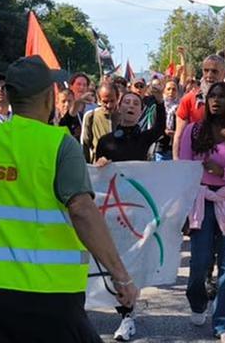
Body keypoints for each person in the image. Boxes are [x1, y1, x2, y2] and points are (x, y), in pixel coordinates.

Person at [0, 45, 137, 343]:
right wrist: (121, 276)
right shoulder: (60, 144)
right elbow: (82, 211)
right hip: (52, 297)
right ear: (49, 97)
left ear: (8, 95)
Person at [179, 81, 225, 343]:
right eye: (212, 96)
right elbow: (183, 171)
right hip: (200, 200)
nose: (216, 100)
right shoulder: (193, 131)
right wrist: (182, 211)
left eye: (222, 96)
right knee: (199, 262)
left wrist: (224, 172)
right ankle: (198, 301)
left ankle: (224, 324)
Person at [88, 90, 166, 342]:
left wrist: (160, 102)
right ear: (119, 108)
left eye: (136, 104)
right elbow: (94, 169)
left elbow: (161, 127)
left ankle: (127, 316)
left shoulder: (144, 139)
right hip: (110, 209)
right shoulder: (106, 140)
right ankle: (116, 307)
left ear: (141, 111)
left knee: (129, 262)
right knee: (109, 260)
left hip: (135, 209)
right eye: (127, 102)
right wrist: (99, 163)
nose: (131, 106)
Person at [172, 54, 225, 159]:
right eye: (206, 70)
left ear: (224, 74)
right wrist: (177, 163)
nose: (209, 75)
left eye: (214, 71)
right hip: (194, 163)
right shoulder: (188, 99)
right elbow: (179, 136)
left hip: (224, 165)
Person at [82, 80, 121, 161]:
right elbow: (85, 144)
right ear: (99, 100)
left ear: (117, 98)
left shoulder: (123, 117)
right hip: (98, 165)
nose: (109, 105)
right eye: (105, 102)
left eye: (112, 101)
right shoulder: (91, 116)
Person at [155, 78, 183, 161]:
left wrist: (176, 133)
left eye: (174, 89)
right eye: (168, 89)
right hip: (161, 147)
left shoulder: (181, 107)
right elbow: (154, 125)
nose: (171, 92)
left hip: (176, 148)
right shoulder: (159, 106)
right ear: (164, 91)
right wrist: (164, 131)